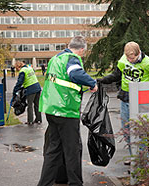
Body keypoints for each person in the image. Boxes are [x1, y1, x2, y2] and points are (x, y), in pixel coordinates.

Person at [37, 36, 98, 186]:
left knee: (53, 150)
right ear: (82, 50)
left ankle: (44, 183)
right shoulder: (72, 58)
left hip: (51, 109)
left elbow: (62, 81)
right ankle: (75, 183)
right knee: (72, 150)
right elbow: (75, 74)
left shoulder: (55, 59)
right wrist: (92, 83)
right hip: (66, 110)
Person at [97, 41, 149, 159]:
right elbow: (116, 75)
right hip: (126, 99)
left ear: (138, 53)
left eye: (132, 58)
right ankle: (134, 158)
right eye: (128, 58)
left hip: (142, 101)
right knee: (127, 131)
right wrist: (102, 80)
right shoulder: (123, 60)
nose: (130, 61)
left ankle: (142, 161)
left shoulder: (148, 63)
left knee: (140, 132)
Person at [13, 61, 42, 125]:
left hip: (31, 89)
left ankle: (30, 121)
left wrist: (15, 90)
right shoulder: (29, 68)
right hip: (37, 87)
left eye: (16, 68)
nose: (16, 70)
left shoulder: (22, 71)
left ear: (18, 66)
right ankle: (38, 119)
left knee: (30, 105)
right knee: (37, 105)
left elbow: (19, 82)